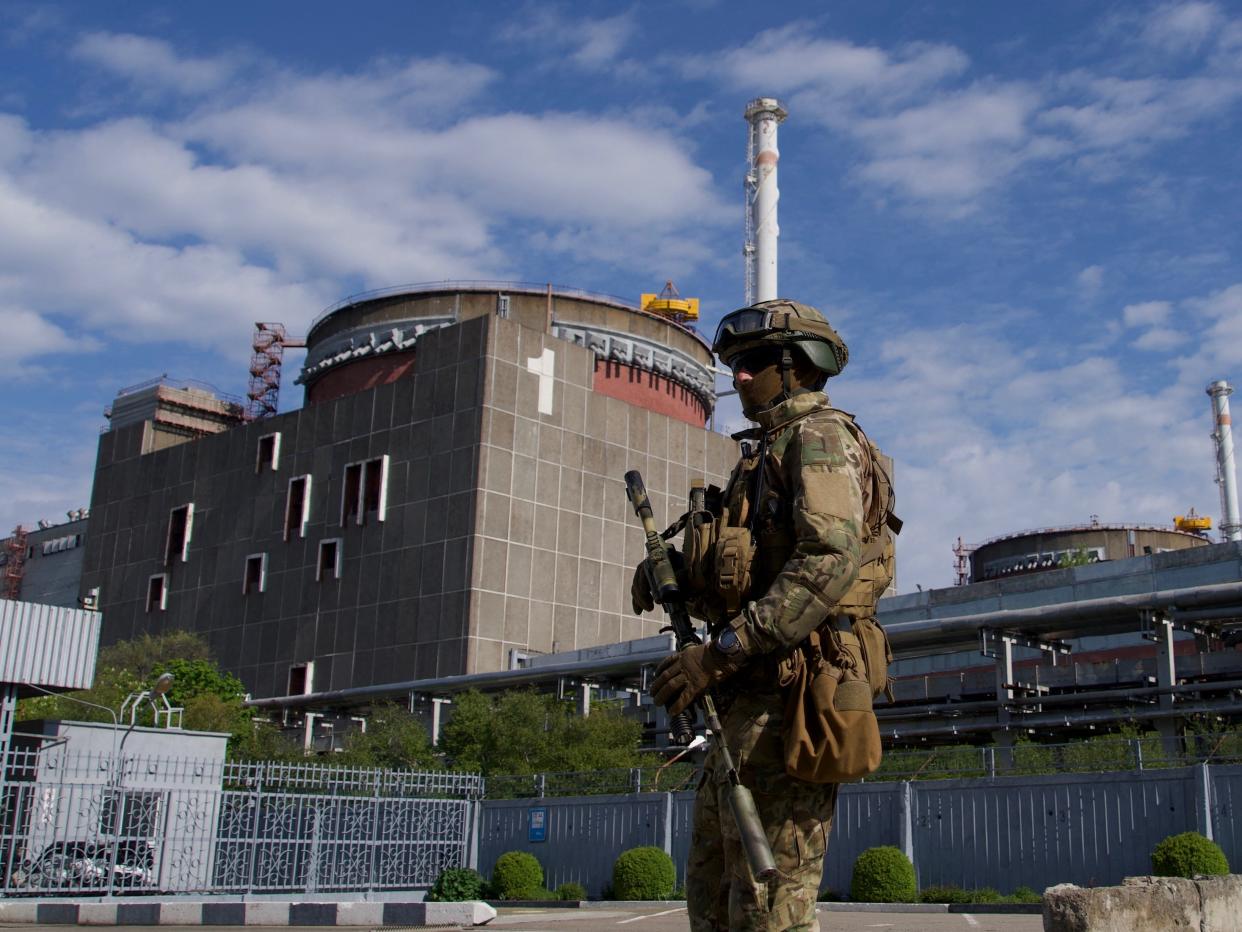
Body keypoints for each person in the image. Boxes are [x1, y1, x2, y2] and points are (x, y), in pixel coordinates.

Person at [632, 299, 896, 931]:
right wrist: (680, 572)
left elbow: (827, 562)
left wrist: (719, 651)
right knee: (716, 892)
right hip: (747, 704)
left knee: (768, 902)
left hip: (794, 701)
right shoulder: (765, 454)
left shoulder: (821, 439)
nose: (739, 377)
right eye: (736, 365)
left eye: (753, 363)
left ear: (798, 367)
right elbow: (754, 574)